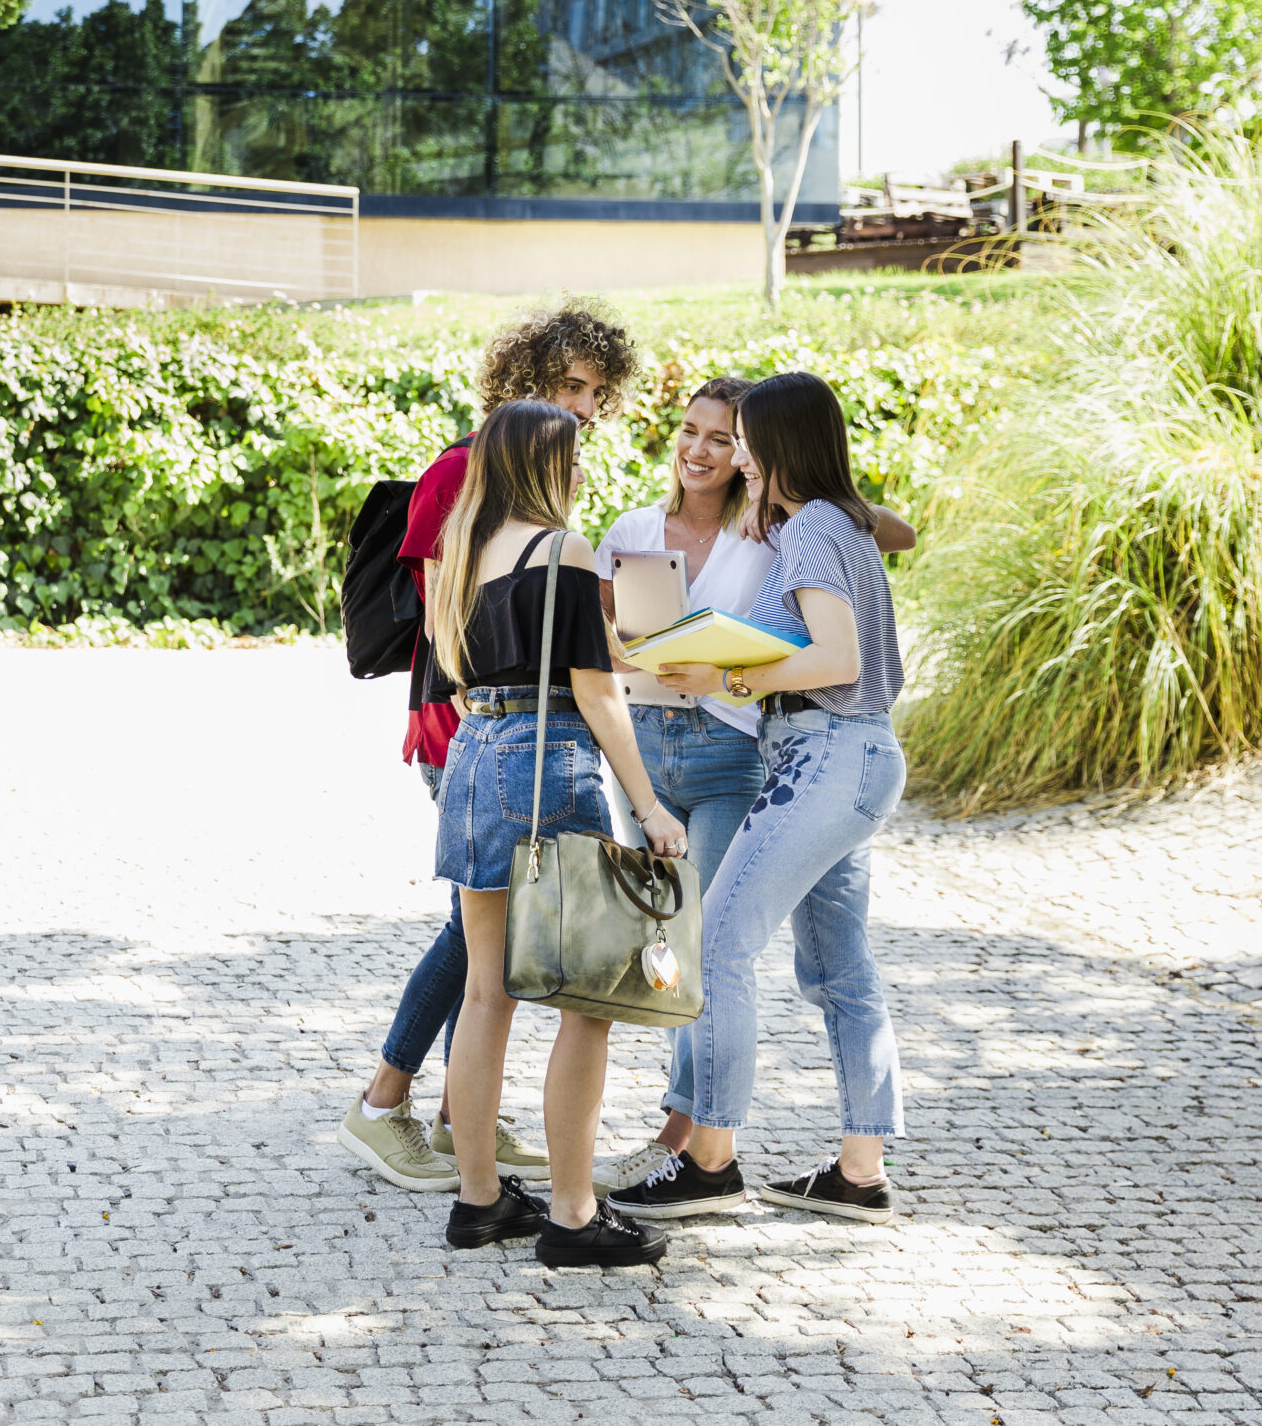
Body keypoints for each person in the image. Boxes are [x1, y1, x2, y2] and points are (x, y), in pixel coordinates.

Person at [588, 379, 918, 1194]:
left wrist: (730, 675)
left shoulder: (809, 528)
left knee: (720, 940)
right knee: (839, 966)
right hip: (856, 754)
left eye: (743, 439)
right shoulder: (834, 521)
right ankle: (859, 1171)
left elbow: (835, 657)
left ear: (774, 445)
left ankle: (710, 1159)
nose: (734, 453)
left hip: (825, 754)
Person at [336, 306, 637, 1193]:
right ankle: (384, 1101)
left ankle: (464, 1122)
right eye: (568, 386)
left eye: (594, 391)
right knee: (479, 948)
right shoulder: (461, 474)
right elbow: (445, 618)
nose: (583, 407)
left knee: (486, 945)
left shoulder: (534, 490)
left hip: (490, 726)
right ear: (523, 382)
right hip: (467, 726)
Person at [425, 398, 684, 1263]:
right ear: (541, 464)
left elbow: (454, 682)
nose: (580, 472)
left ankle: (479, 1200)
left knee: (486, 994)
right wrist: (649, 807)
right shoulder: (562, 550)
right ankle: (573, 1215)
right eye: (571, 458)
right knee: (587, 999)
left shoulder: (459, 552)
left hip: (473, 756)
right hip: (546, 756)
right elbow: (598, 692)